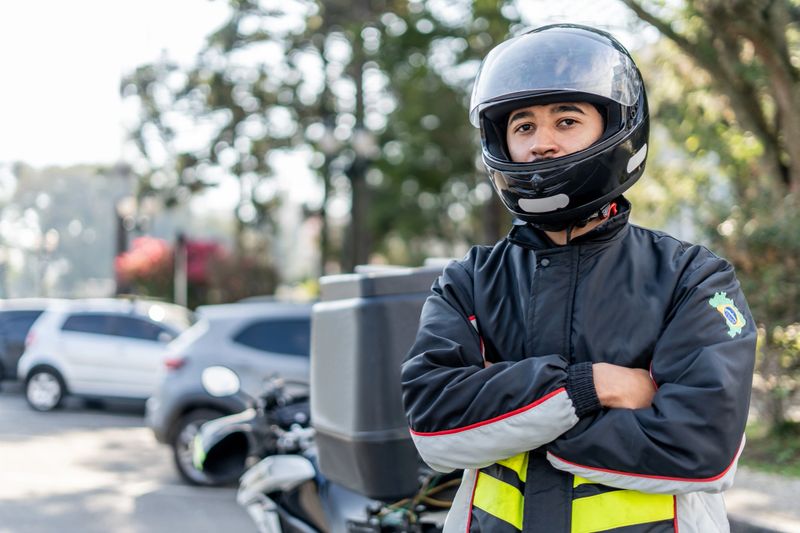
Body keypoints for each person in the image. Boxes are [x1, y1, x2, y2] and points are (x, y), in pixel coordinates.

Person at [401, 23, 756, 533]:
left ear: (615, 128)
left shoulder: (692, 277)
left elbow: (701, 444)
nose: (541, 144)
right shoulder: (469, 281)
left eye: (566, 121)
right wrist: (592, 385)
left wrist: (504, 420)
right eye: (523, 127)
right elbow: (435, 428)